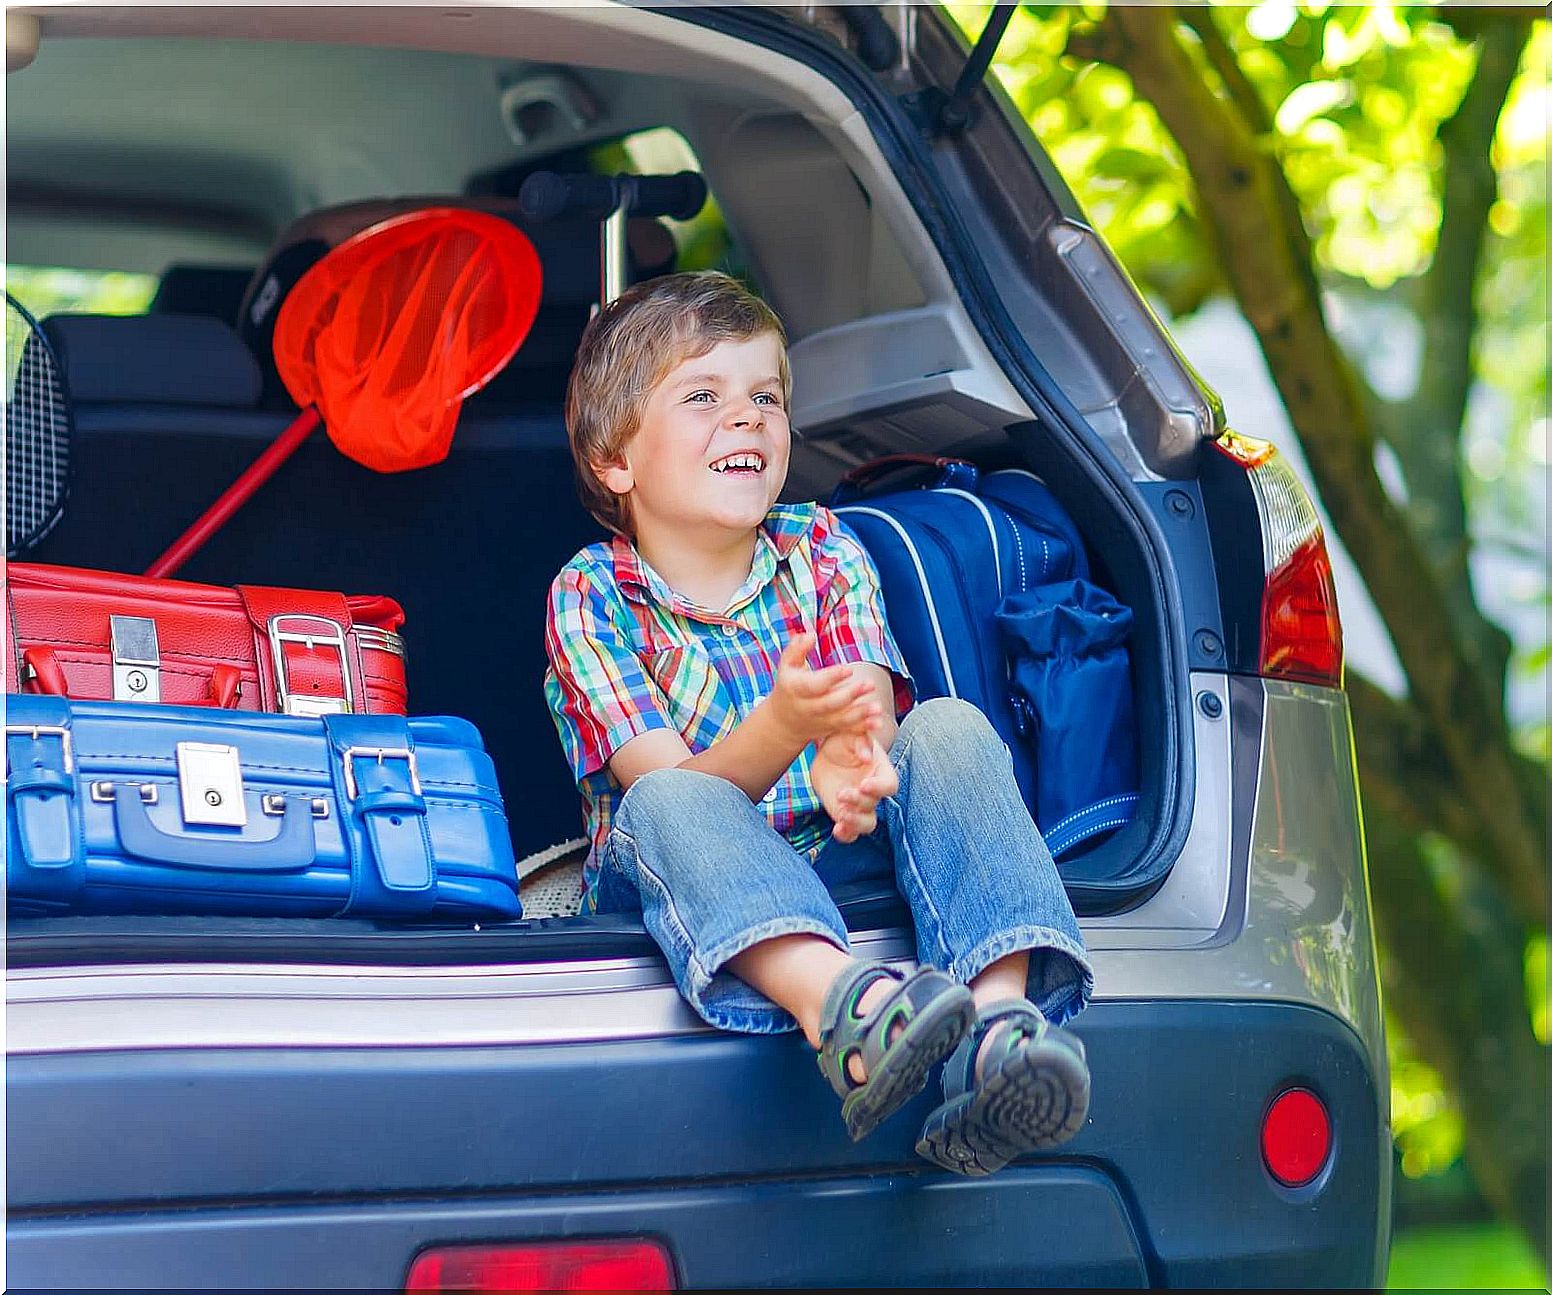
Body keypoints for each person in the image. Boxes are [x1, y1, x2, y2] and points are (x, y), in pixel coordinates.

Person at [543, 271, 1093, 1176]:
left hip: (840, 843)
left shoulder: (824, 546)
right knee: (668, 802)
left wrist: (855, 750)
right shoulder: (591, 595)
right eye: (703, 396)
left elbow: (864, 703)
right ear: (617, 461)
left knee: (950, 725)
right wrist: (788, 724)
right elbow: (672, 789)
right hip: (695, 874)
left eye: (766, 396)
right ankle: (847, 1013)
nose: (748, 417)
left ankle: (998, 1032)